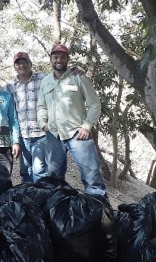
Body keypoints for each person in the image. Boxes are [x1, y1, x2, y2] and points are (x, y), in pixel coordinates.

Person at [37, 44, 107, 197]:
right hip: (54, 135)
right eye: (55, 57)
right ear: (51, 59)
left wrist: (87, 126)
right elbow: (41, 106)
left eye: (62, 57)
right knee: (54, 178)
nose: (59, 60)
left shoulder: (79, 77)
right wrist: (43, 124)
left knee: (92, 176)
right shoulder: (46, 81)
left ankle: (102, 214)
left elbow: (94, 104)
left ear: (68, 59)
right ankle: (57, 212)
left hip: (77, 133)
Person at [5, 52, 67, 183]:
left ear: (30, 64)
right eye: (18, 63)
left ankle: (40, 199)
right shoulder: (10, 86)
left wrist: (74, 70)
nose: (22, 65)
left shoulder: (44, 78)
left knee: (39, 170)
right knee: (25, 172)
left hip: (42, 134)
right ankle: (28, 200)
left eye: (25, 62)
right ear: (15, 67)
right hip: (23, 136)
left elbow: (61, 77)